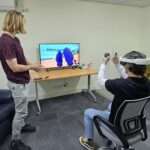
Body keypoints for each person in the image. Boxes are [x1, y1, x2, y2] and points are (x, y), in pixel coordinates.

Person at [79, 51, 150, 150]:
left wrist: (103, 63)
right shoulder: (147, 84)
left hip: (117, 127)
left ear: (129, 66)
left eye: (125, 64)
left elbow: (100, 81)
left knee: (88, 112)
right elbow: (130, 79)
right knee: (110, 106)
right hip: (135, 124)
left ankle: (88, 141)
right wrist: (117, 64)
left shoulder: (120, 85)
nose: (124, 66)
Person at [0, 10, 43, 150]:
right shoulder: (6, 41)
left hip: (22, 80)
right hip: (17, 82)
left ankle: (22, 126)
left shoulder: (15, 39)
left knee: (22, 109)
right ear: (16, 22)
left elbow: (22, 60)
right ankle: (15, 142)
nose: (23, 25)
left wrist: (34, 66)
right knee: (21, 112)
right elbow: (14, 67)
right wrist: (31, 66)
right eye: (22, 22)